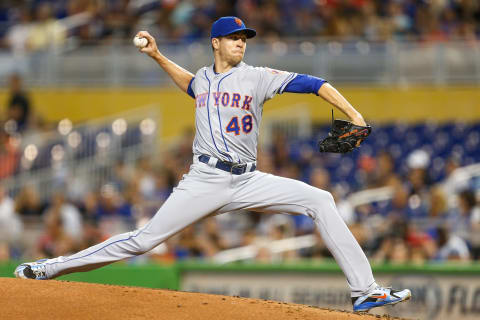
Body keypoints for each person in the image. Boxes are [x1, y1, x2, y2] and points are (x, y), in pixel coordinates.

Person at [15, 16, 411, 312]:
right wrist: (156, 55)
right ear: (215, 43)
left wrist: (354, 113)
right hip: (204, 179)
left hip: (248, 179)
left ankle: (364, 291)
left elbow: (315, 83)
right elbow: (188, 82)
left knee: (321, 200)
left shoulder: (256, 77)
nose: (241, 43)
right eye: (234, 38)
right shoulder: (203, 79)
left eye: (244, 38)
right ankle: (49, 268)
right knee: (145, 239)